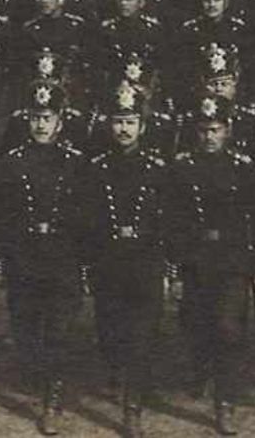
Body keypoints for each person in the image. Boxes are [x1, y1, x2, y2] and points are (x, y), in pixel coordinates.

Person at [0, 82, 87, 436]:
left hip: (63, 258)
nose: (42, 125)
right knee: (26, 329)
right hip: (24, 259)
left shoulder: (77, 163)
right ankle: (36, 373)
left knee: (58, 330)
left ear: (60, 121)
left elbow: (87, 218)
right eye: (36, 117)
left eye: (49, 118)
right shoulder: (10, 163)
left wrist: (84, 261)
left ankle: (52, 399)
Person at [78, 80, 169, 438]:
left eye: (130, 122)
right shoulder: (96, 168)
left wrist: (166, 262)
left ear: (142, 127)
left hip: (145, 260)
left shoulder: (158, 168)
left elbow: (168, 219)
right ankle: (116, 369)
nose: (123, 129)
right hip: (109, 262)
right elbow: (86, 219)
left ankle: (133, 406)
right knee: (111, 331)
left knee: (142, 335)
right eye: (117, 121)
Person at [166, 93, 255, 436]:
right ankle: (200, 367)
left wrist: (254, 267)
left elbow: (254, 218)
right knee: (195, 323)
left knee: (228, 327)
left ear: (228, 130)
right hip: (195, 258)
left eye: (216, 129)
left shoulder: (243, 167)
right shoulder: (181, 167)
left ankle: (226, 401)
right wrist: (174, 267)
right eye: (204, 130)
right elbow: (172, 219)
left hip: (232, 260)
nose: (209, 136)